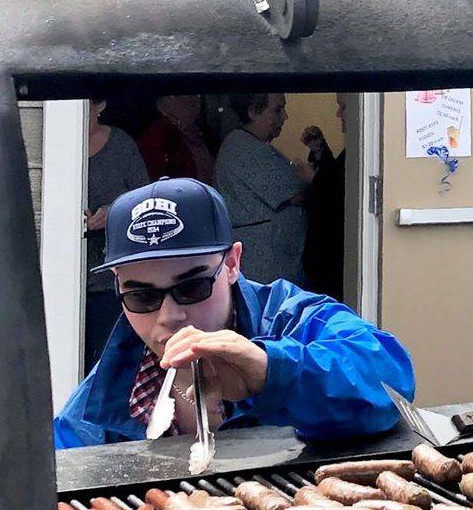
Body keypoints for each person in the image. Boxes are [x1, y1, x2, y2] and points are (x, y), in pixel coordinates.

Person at [54, 178, 413, 449]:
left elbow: (391, 379)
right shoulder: (122, 366)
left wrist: (272, 372)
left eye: (192, 286)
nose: (169, 315)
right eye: (141, 295)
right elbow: (64, 459)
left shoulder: (288, 316)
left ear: (232, 263)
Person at [214, 91, 311, 287]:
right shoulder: (243, 149)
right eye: (277, 110)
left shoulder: (255, 146)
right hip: (264, 271)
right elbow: (298, 191)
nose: (285, 117)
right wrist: (309, 178)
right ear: (253, 112)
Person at [83, 95, 149, 367]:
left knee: (107, 356)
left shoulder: (121, 145)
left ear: (100, 106)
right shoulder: (60, 140)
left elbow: (144, 199)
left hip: (110, 275)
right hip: (66, 275)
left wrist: (111, 212)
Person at [301, 94, 349, 303]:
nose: (338, 113)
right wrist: (320, 149)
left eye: (343, 107)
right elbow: (337, 175)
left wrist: (314, 179)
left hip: (332, 257)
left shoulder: (361, 151)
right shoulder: (355, 150)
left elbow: (339, 192)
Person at [137, 94, 216, 181]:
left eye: (195, 93)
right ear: (160, 104)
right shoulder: (157, 140)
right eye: (176, 96)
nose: (190, 100)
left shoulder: (207, 133)